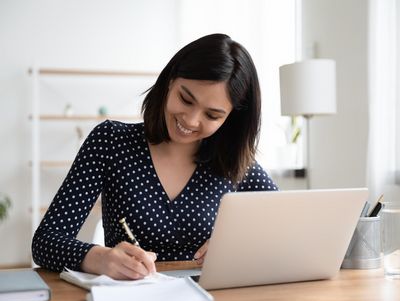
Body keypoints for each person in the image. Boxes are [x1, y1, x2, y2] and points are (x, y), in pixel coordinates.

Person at [31, 33, 278, 280]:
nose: (191, 120)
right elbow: (45, 242)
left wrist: (240, 245)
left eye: (212, 115)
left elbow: (289, 230)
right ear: (170, 81)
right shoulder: (110, 141)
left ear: (230, 118)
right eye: (186, 99)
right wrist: (101, 258)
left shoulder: (235, 162)